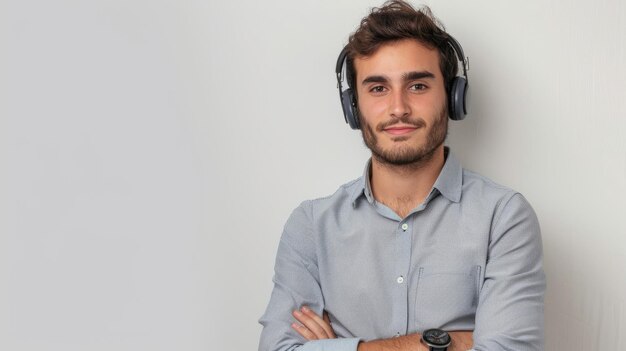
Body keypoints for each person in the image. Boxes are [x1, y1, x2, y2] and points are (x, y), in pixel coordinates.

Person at [259, 1, 546, 350]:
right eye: (378, 88)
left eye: (418, 86)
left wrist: (341, 347)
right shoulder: (310, 226)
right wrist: (446, 343)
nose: (398, 108)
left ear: (453, 97)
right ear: (353, 107)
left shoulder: (503, 217)